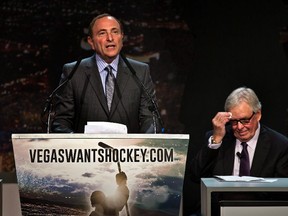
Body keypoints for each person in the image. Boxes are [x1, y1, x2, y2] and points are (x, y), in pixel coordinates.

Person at [51, 13, 162, 133]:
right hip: (86, 150)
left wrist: (141, 146)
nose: (110, 38)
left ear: (122, 37)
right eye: (102, 33)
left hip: (129, 150)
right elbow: (61, 122)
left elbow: (150, 119)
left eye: (115, 32)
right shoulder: (73, 72)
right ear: (91, 42)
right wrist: (79, 146)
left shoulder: (140, 71)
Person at [189, 86, 288, 215]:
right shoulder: (217, 138)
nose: (239, 127)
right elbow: (195, 176)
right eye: (234, 122)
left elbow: (281, 195)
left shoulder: (279, 145)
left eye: (245, 120)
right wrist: (216, 139)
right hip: (218, 211)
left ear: (258, 115)